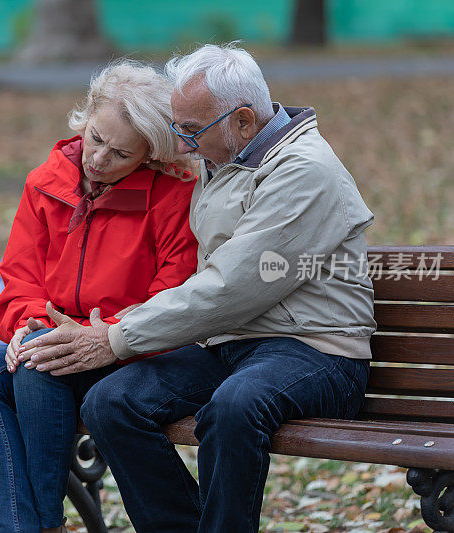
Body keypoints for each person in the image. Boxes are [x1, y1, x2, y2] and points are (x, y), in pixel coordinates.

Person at [19, 43, 376, 532]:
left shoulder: (304, 171)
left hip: (316, 352)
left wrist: (113, 338)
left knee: (233, 406)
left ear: (245, 121)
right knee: (110, 402)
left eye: (191, 132)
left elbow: (232, 287)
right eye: (178, 130)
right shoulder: (224, 155)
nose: (182, 147)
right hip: (230, 345)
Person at [0, 60, 199, 533]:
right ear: (85, 118)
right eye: (96, 138)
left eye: (121, 154)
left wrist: (87, 337)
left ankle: (45, 524)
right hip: (51, 342)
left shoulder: (171, 198)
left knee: (40, 364)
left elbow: (173, 297)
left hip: (128, 356)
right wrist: (27, 326)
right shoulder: (45, 183)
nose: (99, 159)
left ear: (150, 157)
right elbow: (19, 275)